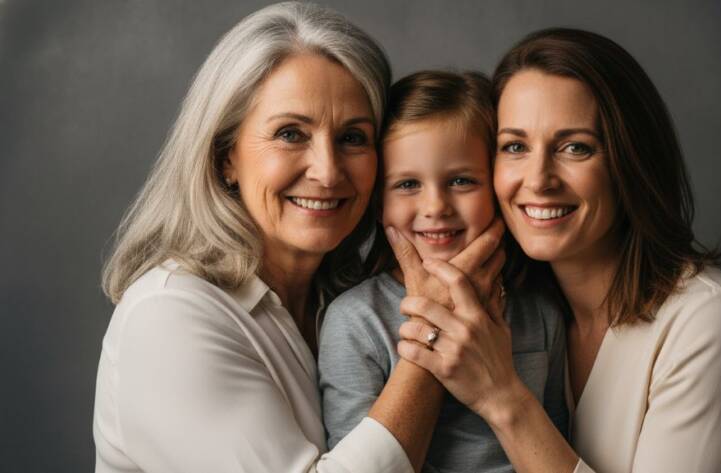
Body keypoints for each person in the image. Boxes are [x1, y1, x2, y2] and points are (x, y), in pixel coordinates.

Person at [92, 3, 504, 472]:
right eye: (291, 133)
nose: (328, 172)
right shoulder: (168, 317)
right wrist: (433, 330)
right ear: (226, 155)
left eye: (352, 137)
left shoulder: (341, 299)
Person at [395, 28, 721, 472]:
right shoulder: (523, 310)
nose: (539, 179)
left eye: (575, 147)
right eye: (515, 147)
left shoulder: (713, 320)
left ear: (630, 162)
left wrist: (501, 396)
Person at [318, 71, 568, 472]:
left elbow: (556, 446)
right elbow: (356, 456)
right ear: (378, 201)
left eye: (461, 180)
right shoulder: (356, 321)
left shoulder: (540, 312)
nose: (436, 206)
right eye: (408, 184)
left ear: (499, 186)